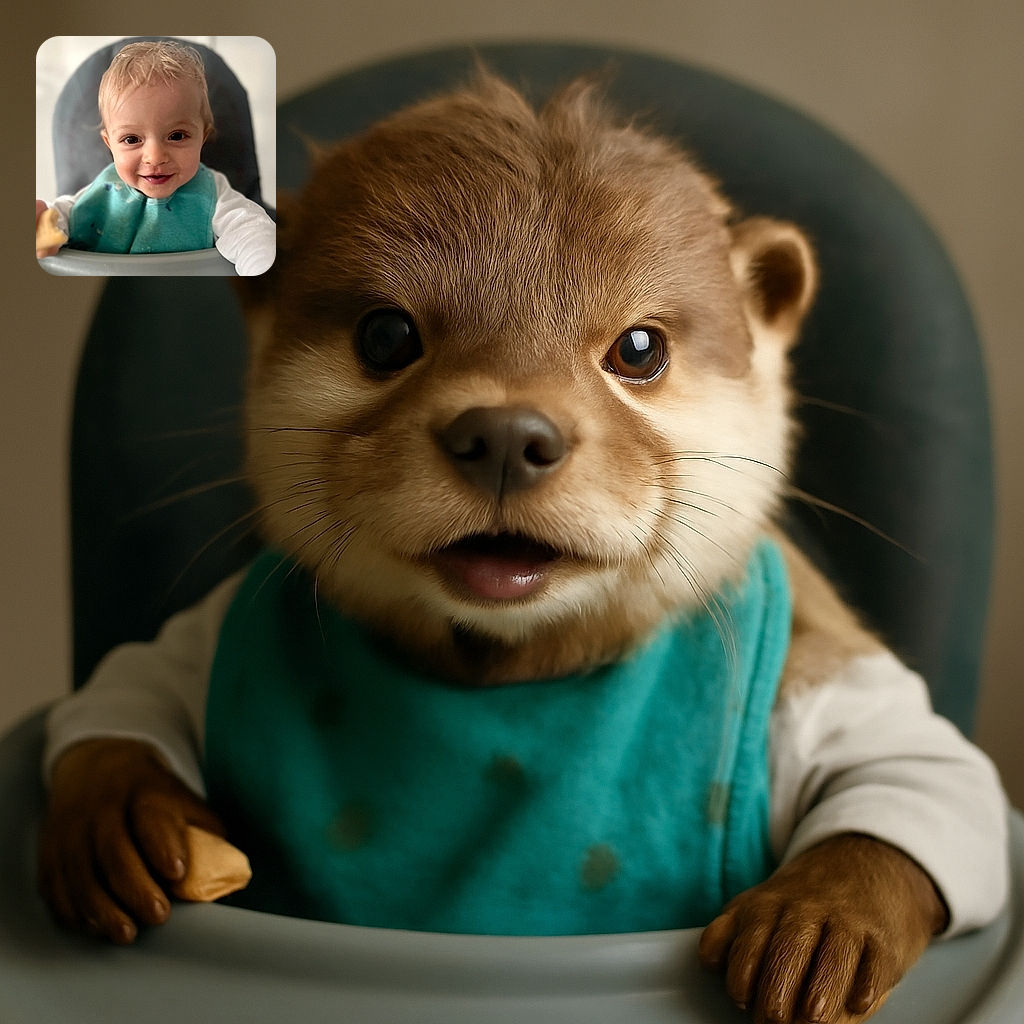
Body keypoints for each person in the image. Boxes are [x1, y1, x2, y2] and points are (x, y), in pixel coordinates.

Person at [35, 40, 275, 276]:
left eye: (177, 135)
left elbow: (248, 229)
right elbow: (66, 214)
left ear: (203, 138)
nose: (155, 157)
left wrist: (259, 263)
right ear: (110, 144)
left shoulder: (212, 193)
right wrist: (47, 225)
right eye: (131, 140)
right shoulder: (103, 191)